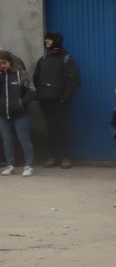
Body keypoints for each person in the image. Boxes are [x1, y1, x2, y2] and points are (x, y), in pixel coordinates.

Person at [33, 31, 80, 168]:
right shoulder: (43, 60)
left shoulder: (66, 59)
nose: (46, 42)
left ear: (57, 41)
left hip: (61, 102)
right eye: (46, 39)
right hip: (45, 101)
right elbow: (36, 79)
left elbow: (74, 80)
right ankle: (52, 156)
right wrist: (40, 95)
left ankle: (66, 157)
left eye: (50, 39)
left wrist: (64, 97)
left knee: (63, 129)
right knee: (50, 129)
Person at [0, 51, 36, 176]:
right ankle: (9, 165)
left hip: (21, 115)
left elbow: (31, 91)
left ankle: (28, 165)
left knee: (24, 140)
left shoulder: (21, 74)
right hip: (3, 115)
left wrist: (21, 104)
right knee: (7, 140)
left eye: (4, 62)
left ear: (10, 62)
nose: (1, 65)